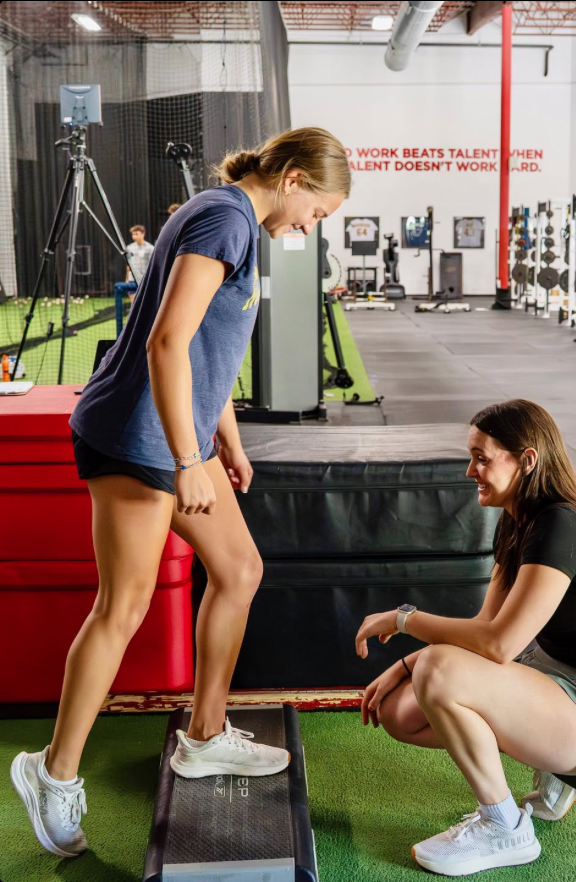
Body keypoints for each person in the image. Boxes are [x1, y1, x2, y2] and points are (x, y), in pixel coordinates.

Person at [10, 127, 350, 858]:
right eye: (316, 212)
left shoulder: (230, 215)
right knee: (123, 606)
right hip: (138, 438)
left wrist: (223, 434)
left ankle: (203, 734)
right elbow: (167, 341)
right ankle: (52, 771)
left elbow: (205, 348)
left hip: (174, 433)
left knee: (239, 571)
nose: (309, 227)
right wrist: (189, 453)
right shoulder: (227, 219)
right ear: (291, 178)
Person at [356, 399, 576, 877]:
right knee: (397, 713)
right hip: (551, 684)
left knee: (441, 670)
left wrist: (402, 619)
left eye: (482, 457)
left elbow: (499, 646)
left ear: (527, 460)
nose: (471, 470)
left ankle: (506, 827)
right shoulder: (518, 521)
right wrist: (403, 665)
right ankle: (550, 770)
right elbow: (486, 625)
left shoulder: (561, 524)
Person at [125, 224, 155, 305]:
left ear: (143, 234)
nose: (134, 236)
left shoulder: (150, 248)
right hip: (132, 279)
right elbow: (128, 265)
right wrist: (127, 278)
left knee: (145, 302)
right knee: (133, 302)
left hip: (144, 279)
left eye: (136, 234)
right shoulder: (129, 248)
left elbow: (153, 265)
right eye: (133, 234)